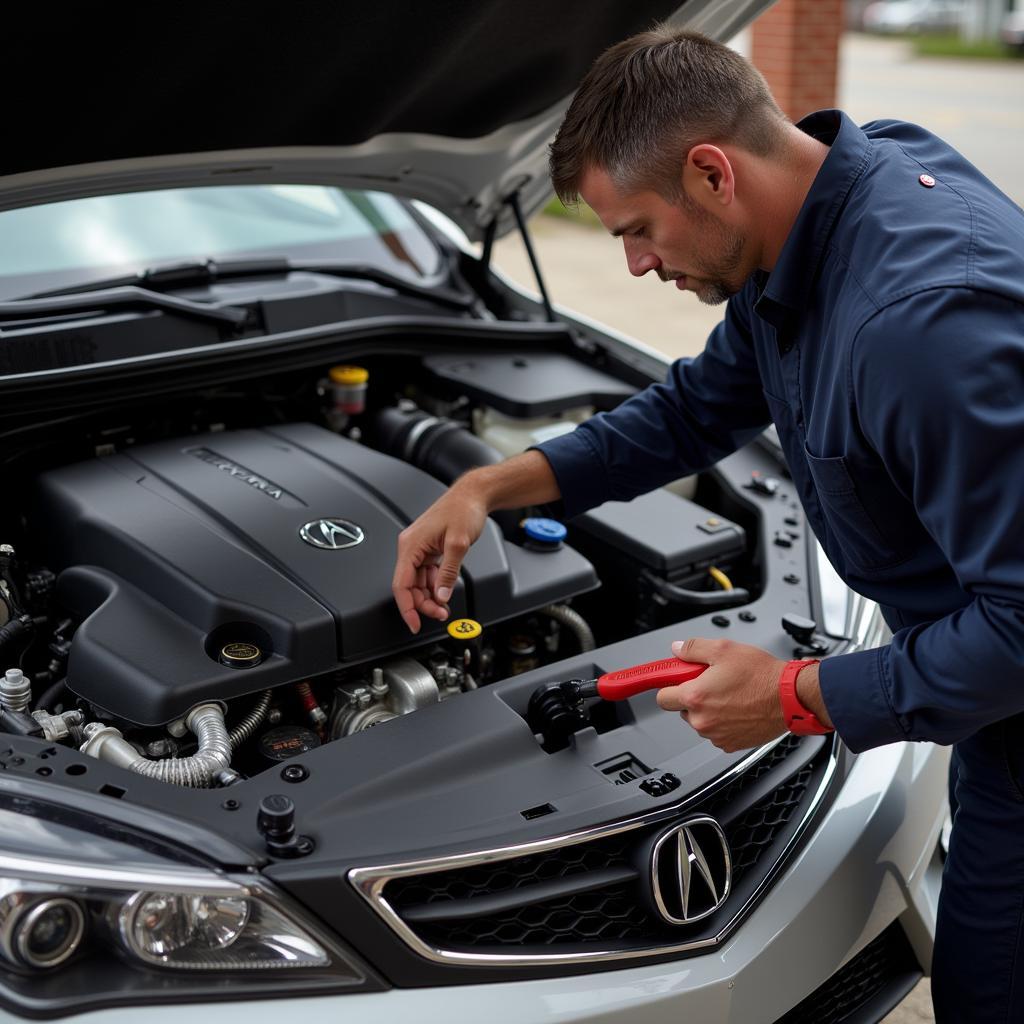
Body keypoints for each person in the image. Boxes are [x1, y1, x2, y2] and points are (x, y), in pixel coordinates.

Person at [391, 26, 1024, 1023]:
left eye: (636, 229)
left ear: (711, 173)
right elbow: (693, 409)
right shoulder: (825, 210)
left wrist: (795, 694)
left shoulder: (913, 326)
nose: (637, 265)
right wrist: (487, 487)